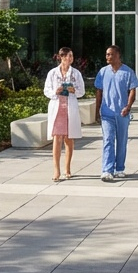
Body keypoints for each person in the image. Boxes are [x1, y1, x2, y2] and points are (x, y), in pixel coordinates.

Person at [93, 45, 138, 182]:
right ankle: (107, 170)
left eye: (110, 54)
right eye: (107, 54)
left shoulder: (127, 72)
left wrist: (128, 106)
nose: (108, 57)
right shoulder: (103, 72)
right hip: (107, 113)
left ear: (118, 55)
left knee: (121, 141)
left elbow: (132, 90)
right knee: (108, 140)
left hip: (122, 113)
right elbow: (99, 92)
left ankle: (119, 168)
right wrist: (97, 111)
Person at [43, 46, 85, 182]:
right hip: (57, 107)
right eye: (67, 56)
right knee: (57, 138)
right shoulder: (52, 73)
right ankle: (56, 170)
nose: (70, 59)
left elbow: (82, 91)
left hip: (70, 107)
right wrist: (55, 91)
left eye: (71, 56)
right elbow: (46, 90)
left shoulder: (76, 73)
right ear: (61, 57)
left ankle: (67, 168)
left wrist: (73, 90)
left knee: (68, 138)